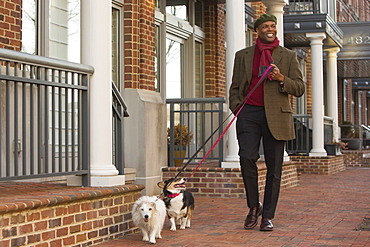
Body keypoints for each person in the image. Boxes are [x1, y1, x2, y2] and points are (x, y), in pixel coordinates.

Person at [229, 14, 305, 231]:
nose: (270, 29)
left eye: (273, 26)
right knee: (246, 158)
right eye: (265, 26)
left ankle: (268, 216)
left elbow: (299, 88)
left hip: (277, 115)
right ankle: (254, 206)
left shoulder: (288, 56)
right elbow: (235, 87)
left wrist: (282, 79)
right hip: (249, 114)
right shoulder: (243, 55)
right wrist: (237, 107)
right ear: (257, 30)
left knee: (274, 168)